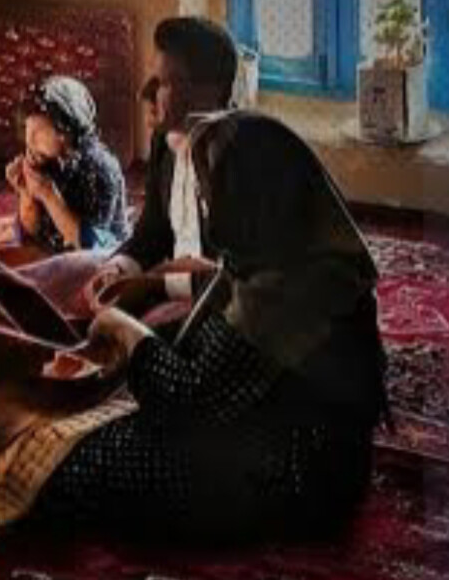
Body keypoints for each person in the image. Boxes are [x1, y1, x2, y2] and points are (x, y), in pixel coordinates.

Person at [34, 111, 387, 545]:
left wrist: (124, 331)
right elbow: (218, 323)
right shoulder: (285, 248)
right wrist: (147, 305)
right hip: (290, 438)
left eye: (210, 192)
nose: (206, 206)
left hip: (294, 474)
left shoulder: (287, 287)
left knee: (80, 460)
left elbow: (188, 402)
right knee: (99, 423)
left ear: (248, 193)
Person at [84, 14, 240, 315]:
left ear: (208, 92)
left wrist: (154, 286)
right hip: (171, 283)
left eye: (163, 82)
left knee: (106, 330)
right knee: (62, 278)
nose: (145, 93)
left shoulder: (234, 159)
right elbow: (153, 231)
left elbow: (235, 279)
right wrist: (119, 269)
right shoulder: (165, 142)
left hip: (218, 311)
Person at [5, 75, 128, 253]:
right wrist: (26, 193)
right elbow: (32, 233)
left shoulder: (99, 168)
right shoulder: (42, 158)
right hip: (55, 255)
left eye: (40, 130)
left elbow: (91, 247)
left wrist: (49, 195)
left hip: (100, 258)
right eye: (27, 129)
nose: (30, 141)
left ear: (66, 132)